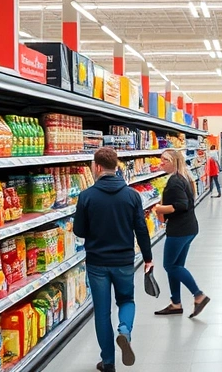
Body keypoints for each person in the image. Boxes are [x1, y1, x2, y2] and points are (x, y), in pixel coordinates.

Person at [73, 147, 153, 371]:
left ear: (97, 167)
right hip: (124, 261)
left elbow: (79, 231)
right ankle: (125, 331)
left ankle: (108, 362)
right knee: (126, 300)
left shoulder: (86, 196)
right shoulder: (132, 195)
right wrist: (148, 258)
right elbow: (141, 229)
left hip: (97, 262)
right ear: (116, 166)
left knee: (102, 311)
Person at [152, 149, 211, 318]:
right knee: (176, 266)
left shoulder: (175, 181)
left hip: (180, 230)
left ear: (174, 162)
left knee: (170, 266)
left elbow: (181, 205)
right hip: (188, 228)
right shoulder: (182, 178)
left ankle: (198, 295)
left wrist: (158, 208)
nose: (161, 163)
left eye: (165, 160)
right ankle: (176, 303)